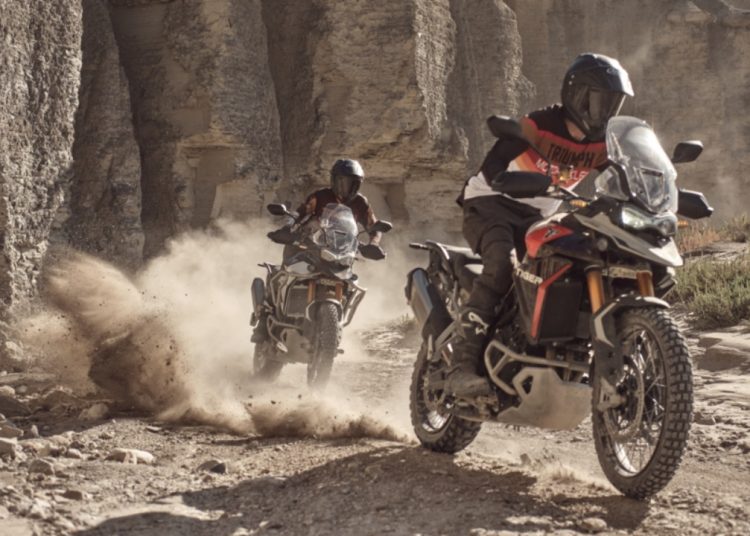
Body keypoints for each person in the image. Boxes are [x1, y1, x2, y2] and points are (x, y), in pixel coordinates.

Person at [448, 52, 634, 397]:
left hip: (538, 217)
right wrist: (513, 180)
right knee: (503, 265)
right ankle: (461, 366)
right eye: (600, 101)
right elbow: (493, 168)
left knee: (567, 263)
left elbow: (622, 177)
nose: (605, 111)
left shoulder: (602, 144)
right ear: (577, 95)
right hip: (491, 204)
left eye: (613, 104)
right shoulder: (539, 125)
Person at [252, 158, 381, 343]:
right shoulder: (320, 196)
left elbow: (373, 226)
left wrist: (374, 244)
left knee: (349, 281)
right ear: (334, 180)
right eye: (343, 181)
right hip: (308, 244)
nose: (347, 187)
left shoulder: (361, 202)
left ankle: (331, 327)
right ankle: (264, 320)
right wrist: (287, 229)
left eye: (353, 183)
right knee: (284, 272)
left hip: (341, 250)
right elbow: (299, 213)